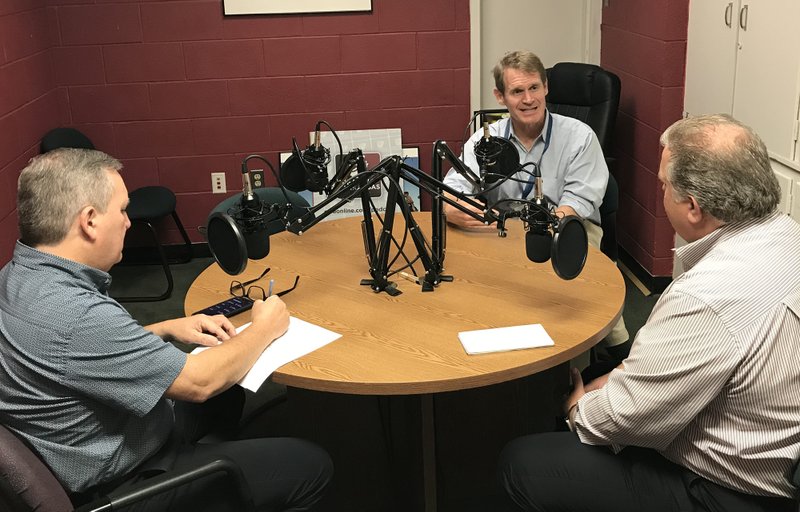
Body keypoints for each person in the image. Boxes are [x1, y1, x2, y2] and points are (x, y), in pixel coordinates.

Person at [0, 148, 332, 511]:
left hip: (95, 440)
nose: (128, 222)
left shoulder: (16, 279)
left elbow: (76, 358)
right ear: (90, 221)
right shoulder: (75, 316)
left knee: (231, 387)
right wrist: (265, 327)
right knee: (311, 464)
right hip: (127, 482)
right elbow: (199, 382)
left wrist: (167, 327)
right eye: (123, 210)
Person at [498, 114, 800, 512]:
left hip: (728, 492)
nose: (659, 192)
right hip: (774, 448)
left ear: (692, 207)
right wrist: (617, 379)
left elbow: (620, 420)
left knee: (522, 462)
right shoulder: (787, 233)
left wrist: (576, 409)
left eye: (663, 186)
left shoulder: (706, 297)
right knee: (600, 375)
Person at [443, 49, 629, 357]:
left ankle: (611, 349)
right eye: (517, 91)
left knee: (566, 278)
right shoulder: (485, 140)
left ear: (546, 88)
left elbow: (578, 200)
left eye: (534, 88)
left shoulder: (579, 136)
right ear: (500, 96)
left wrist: (539, 230)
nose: (528, 99)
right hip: (504, 229)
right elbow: (454, 187)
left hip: (569, 224)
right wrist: (452, 208)